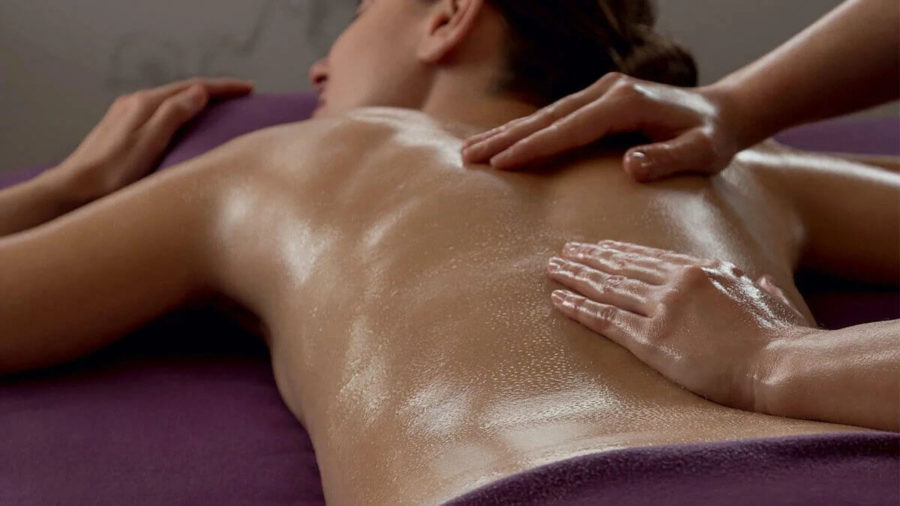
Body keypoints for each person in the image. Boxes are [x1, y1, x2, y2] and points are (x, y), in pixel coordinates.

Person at [0, 0, 897, 504]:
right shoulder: (732, 164)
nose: (316, 72)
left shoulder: (286, 160)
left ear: (449, 17)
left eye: (357, 11)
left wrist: (67, 188)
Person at [462, 0, 900, 434]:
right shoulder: (737, 170)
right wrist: (734, 105)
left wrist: (772, 358)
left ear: (452, 16)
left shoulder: (730, 166)